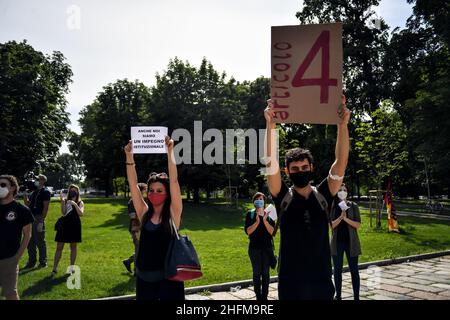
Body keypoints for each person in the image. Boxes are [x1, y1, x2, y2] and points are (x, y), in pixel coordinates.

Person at [264, 95, 350, 300]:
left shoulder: (324, 194)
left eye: (304, 167)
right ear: (287, 171)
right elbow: (270, 164)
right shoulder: (282, 196)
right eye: (295, 168)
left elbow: (341, 162)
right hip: (290, 282)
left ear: (312, 168)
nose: (300, 171)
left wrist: (342, 125)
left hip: (321, 279)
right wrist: (271, 125)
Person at [124, 136, 184, 300]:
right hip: (144, 279)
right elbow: (133, 185)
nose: (154, 194)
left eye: (159, 191)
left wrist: (170, 152)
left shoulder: (173, 212)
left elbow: (174, 181)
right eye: (151, 190)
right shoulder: (144, 212)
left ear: (167, 194)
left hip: (169, 280)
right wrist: (129, 157)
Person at [0, 175, 34, 300]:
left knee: (11, 294)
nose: (0, 188)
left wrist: (17, 257)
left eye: (3, 185)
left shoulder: (21, 210)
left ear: (13, 188)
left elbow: (27, 235)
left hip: (9, 259)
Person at [330, 183, 361, 300]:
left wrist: (346, 218)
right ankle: (338, 295)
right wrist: (340, 217)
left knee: (354, 270)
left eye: (344, 190)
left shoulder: (353, 206)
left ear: (347, 192)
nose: (342, 192)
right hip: (337, 243)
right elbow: (331, 226)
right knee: (337, 271)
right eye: (340, 190)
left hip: (351, 243)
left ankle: (356, 297)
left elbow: (358, 225)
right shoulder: (333, 206)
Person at [244, 192, 275, 301]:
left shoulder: (270, 214)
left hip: (267, 249)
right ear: (254, 202)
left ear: (264, 202)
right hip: (254, 249)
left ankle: (264, 297)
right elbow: (248, 231)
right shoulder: (250, 214)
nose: (259, 201)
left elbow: (272, 232)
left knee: (266, 273)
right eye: (257, 199)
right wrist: (257, 221)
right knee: (256, 273)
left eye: (261, 199)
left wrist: (265, 220)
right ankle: (258, 296)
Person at [52, 184, 84, 275]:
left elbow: (81, 213)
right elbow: (64, 212)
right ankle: (54, 268)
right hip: (64, 226)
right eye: (71, 190)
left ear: (77, 192)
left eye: (75, 190)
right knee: (59, 247)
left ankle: (72, 268)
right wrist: (62, 202)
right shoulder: (66, 201)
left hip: (75, 226)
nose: (73, 192)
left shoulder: (80, 202)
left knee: (73, 247)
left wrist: (74, 204)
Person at [23, 174, 51, 269]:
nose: (35, 181)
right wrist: (25, 196)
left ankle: (43, 262)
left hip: (38, 218)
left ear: (43, 181)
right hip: (30, 218)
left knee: (40, 241)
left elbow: (46, 207)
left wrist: (41, 220)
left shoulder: (45, 192)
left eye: (37, 179)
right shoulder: (34, 192)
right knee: (30, 241)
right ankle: (31, 262)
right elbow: (27, 204)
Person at [122, 182, 147, 274]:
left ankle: (128, 262)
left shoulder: (142, 201)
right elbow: (132, 216)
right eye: (145, 190)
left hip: (142, 227)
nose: (146, 192)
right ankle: (136, 271)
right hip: (136, 228)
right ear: (140, 191)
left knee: (142, 248)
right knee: (139, 248)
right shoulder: (133, 201)